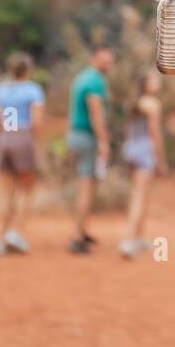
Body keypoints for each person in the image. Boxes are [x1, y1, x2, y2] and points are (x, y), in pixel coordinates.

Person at [0, 52, 45, 255]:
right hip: (24, 138)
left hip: (6, 137)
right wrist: (37, 146)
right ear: (28, 70)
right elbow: (37, 122)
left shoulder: (1, 90)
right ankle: (15, 233)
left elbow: (0, 121)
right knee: (26, 189)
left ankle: (2, 236)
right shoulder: (33, 90)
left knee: (8, 192)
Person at [66, 45, 114, 254]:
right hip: (87, 137)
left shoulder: (82, 77)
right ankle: (78, 237)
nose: (108, 65)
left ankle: (82, 230)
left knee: (87, 184)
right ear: (94, 58)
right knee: (87, 186)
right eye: (105, 60)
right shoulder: (96, 81)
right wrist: (104, 141)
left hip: (75, 135)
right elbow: (96, 114)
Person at [119, 70, 166, 258]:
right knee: (139, 195)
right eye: (154, 80)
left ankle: (139, 237)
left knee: (143, 194)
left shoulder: (135, 102)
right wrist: (161, 159)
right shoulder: (153, 104)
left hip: (131, 148)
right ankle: (128, 240)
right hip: (146, 149)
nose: (157, 83)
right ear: (145, 84)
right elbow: (155, 134)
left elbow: (128, 130)